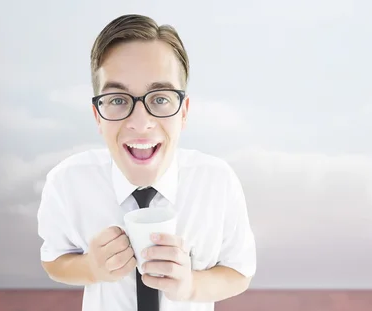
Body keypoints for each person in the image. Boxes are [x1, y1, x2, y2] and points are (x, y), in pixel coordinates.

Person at [36, 14, 257, 311]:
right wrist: (91, 267)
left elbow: (239, 272)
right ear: (97, 115)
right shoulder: (67, 182)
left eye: (161, 98)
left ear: (184, 112)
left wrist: (191, 285)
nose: (141, 124)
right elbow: (53, 259)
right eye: (117, 100)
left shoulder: (217, 182)